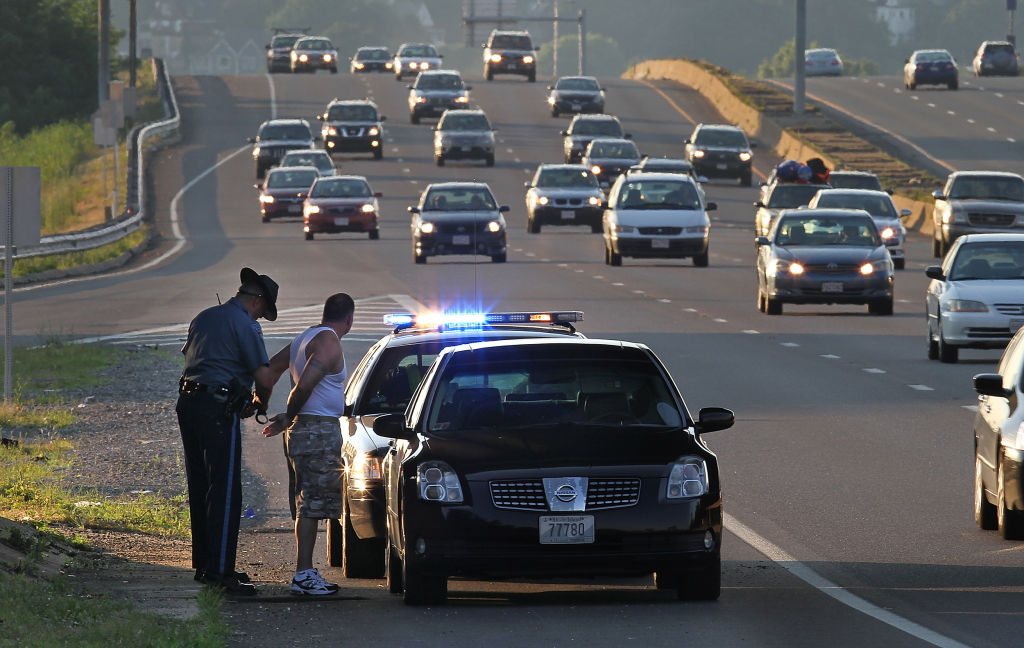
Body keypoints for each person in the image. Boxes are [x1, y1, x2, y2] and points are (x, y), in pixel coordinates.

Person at [176, 267, 280, 596]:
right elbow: (264, 378)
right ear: (257, 301)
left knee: (202, 485)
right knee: (225, 490)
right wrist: (260, 404)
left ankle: (206, 565)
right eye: (264, 311)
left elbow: (202, 360)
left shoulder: (204, 317)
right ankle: (222, 574)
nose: (261, 318)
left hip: (188, 403)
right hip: (217, 410)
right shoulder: (245, 324)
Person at [262, 293, 355, 596]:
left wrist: (258, 400)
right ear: (349, 320)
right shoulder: (329, 342)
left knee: (307, 502)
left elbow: (271, 369)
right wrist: (288, 416)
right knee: (313, 505)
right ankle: (303, 574)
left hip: (304, 428)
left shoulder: (305, 336)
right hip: (315, 431)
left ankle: (305, 572)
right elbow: (304, 386)